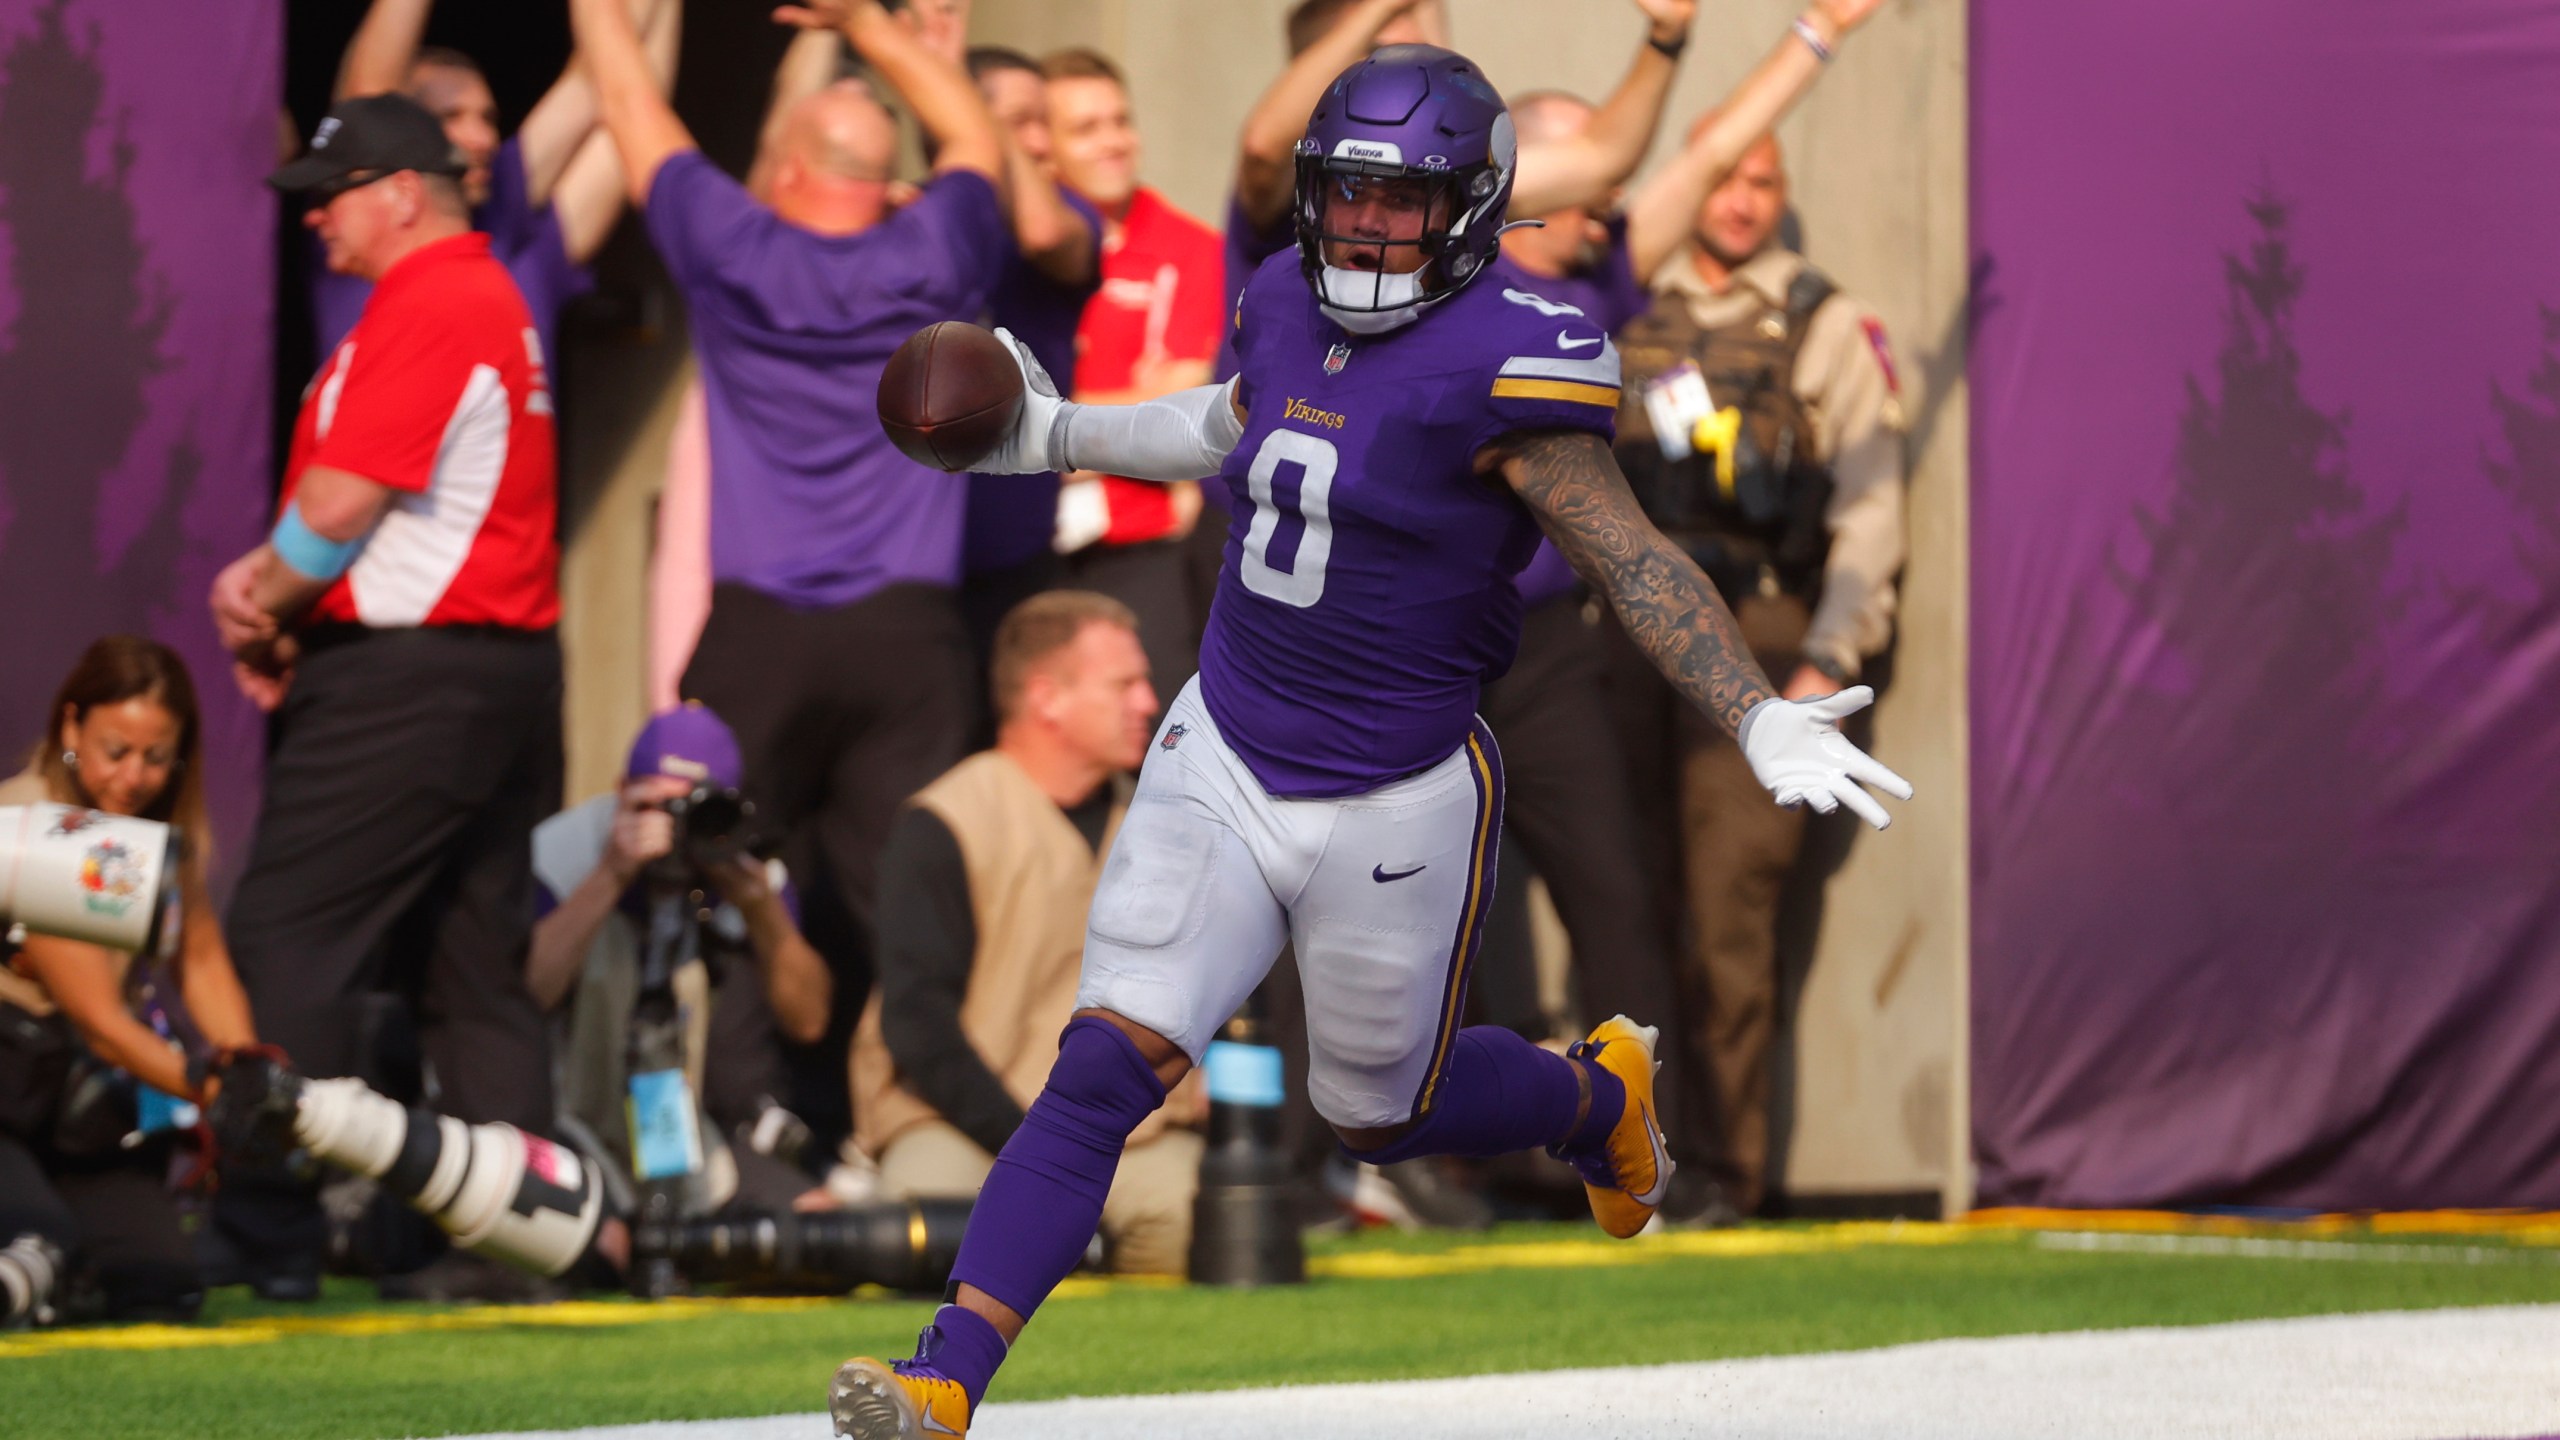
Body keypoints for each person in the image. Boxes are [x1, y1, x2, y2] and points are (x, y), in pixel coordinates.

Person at [827, 46, 1911, 1438]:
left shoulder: (1521, 352)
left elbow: (1630, 554)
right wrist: (1052, 434)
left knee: (1377, 1114)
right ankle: (945, 1382)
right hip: (1222, 743)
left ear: (1473, 207)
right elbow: (1228, 427)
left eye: (1403, 203)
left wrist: (1752, 708)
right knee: (1102, 1069)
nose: (1365, 227)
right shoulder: (1282, 294)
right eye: (1345, 194)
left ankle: (1595, 1097)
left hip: (1394, 795)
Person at [1476, 0, 1886, 1223]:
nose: (1608, 197)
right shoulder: (1437, 287)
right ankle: (1452, 1166)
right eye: (1582, 173)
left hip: (1550, 645)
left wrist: (1812, 33)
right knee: (1441, 921)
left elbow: (1703, 152)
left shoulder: (1595, 279)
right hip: (1422, 647)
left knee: (1622, 909)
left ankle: (1645, 1161)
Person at [568, 0, 1011, 1067]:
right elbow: (973, 139)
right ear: (874, 177)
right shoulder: (933, 250)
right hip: (907, 637)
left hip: (761, 630)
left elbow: (629, 101)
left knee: (734, 878)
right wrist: (875, 25)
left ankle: (745, 1112)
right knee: (901, 900)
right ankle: (922, 1113)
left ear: (793, 169)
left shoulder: (735, 247)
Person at [208, 93, 565, 1297]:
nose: (315, 216)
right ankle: (511, 1246)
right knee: (475, 969)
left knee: (282, 938)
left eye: (333, 192)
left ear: (402, 193)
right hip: (494, 668)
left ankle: (268, 1236)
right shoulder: (480, 295)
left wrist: (258, 599)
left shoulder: (438, 299)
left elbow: (336, 514)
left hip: (416, 679)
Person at [1609, 117, 1908, 1217]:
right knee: (1622, 909)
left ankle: (1724, 1173)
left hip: (1761, 638)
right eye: (1722, 176)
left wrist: (1829, 655)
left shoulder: (1823, 320)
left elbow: (1872, 512)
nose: (1739, 200)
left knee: (1728, 915)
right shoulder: (1624, 300)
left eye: (1763, 181)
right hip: (1624, 637)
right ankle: (1625, 1162)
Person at [850, 592, 1205, 1277]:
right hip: (967, 1127)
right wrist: (1040, 1153)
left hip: (1125, 1137)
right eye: (1124, 683)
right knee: (925, 1226)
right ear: (1048, 698)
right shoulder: (946, 820)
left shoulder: (1163, 819)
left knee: (1200, 1218)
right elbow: (918, 1025)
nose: (1148, 702)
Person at [0, 638, 258, 1321]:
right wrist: (218, 1093)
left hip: (70, 1111)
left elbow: (202, 962)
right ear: (71, 728)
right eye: (116, 750)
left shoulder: (161, 840)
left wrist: (249, 1066)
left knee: (159, 1286)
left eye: (156, 755)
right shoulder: (31, 828)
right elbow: (104, 1025)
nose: (135, 776)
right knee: (34, 1249)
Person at [529, 705, 835, 1218]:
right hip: (566, 1110)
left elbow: (809, 1020)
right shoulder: (567, 853)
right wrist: (610, 877)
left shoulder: (739, 871)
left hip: (682, 1122)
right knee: (604, 1240)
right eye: (656, 806)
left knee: (814, 1222)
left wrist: (762, 912)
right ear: (621, 789)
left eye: (695, 811)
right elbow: (527, 995)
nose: (673, 831)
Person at [312, 0, 679, 363]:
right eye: (451, 116)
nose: (482, 138)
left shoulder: (521, 264)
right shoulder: (360, 244)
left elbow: (630, 107)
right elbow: (366, 95)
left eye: (488, 118)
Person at [1035, 48, 1226, 693]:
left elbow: (1182, 415)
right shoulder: (1012, 248)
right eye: (1087, 128)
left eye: (1120, 120)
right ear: (1042, 147)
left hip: (1143, 555)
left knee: (1155, 744)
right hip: (1020, 550)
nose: (1115, 142)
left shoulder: (1193, 249)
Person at [959, 46, 1105, 714]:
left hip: (1015, 565)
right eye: (1020, 121)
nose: (1043, 141)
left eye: (1044, 119)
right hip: (911, 577)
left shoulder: (1069, 217)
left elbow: (1047, 231)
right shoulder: (914, 224)